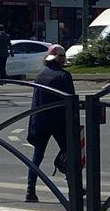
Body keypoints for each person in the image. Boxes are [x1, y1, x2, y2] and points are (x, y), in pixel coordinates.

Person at [25, 44, 75, 202]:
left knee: (37, 156)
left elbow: (36, 100)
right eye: (61, 56)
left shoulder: (40, 75)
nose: (63, 59)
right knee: (69, 152)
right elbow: (71, 100)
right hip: (59, 121)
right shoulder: (64, 76)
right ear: (58, 59)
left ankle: (30, 190)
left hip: (40, 121)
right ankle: (74, 188)